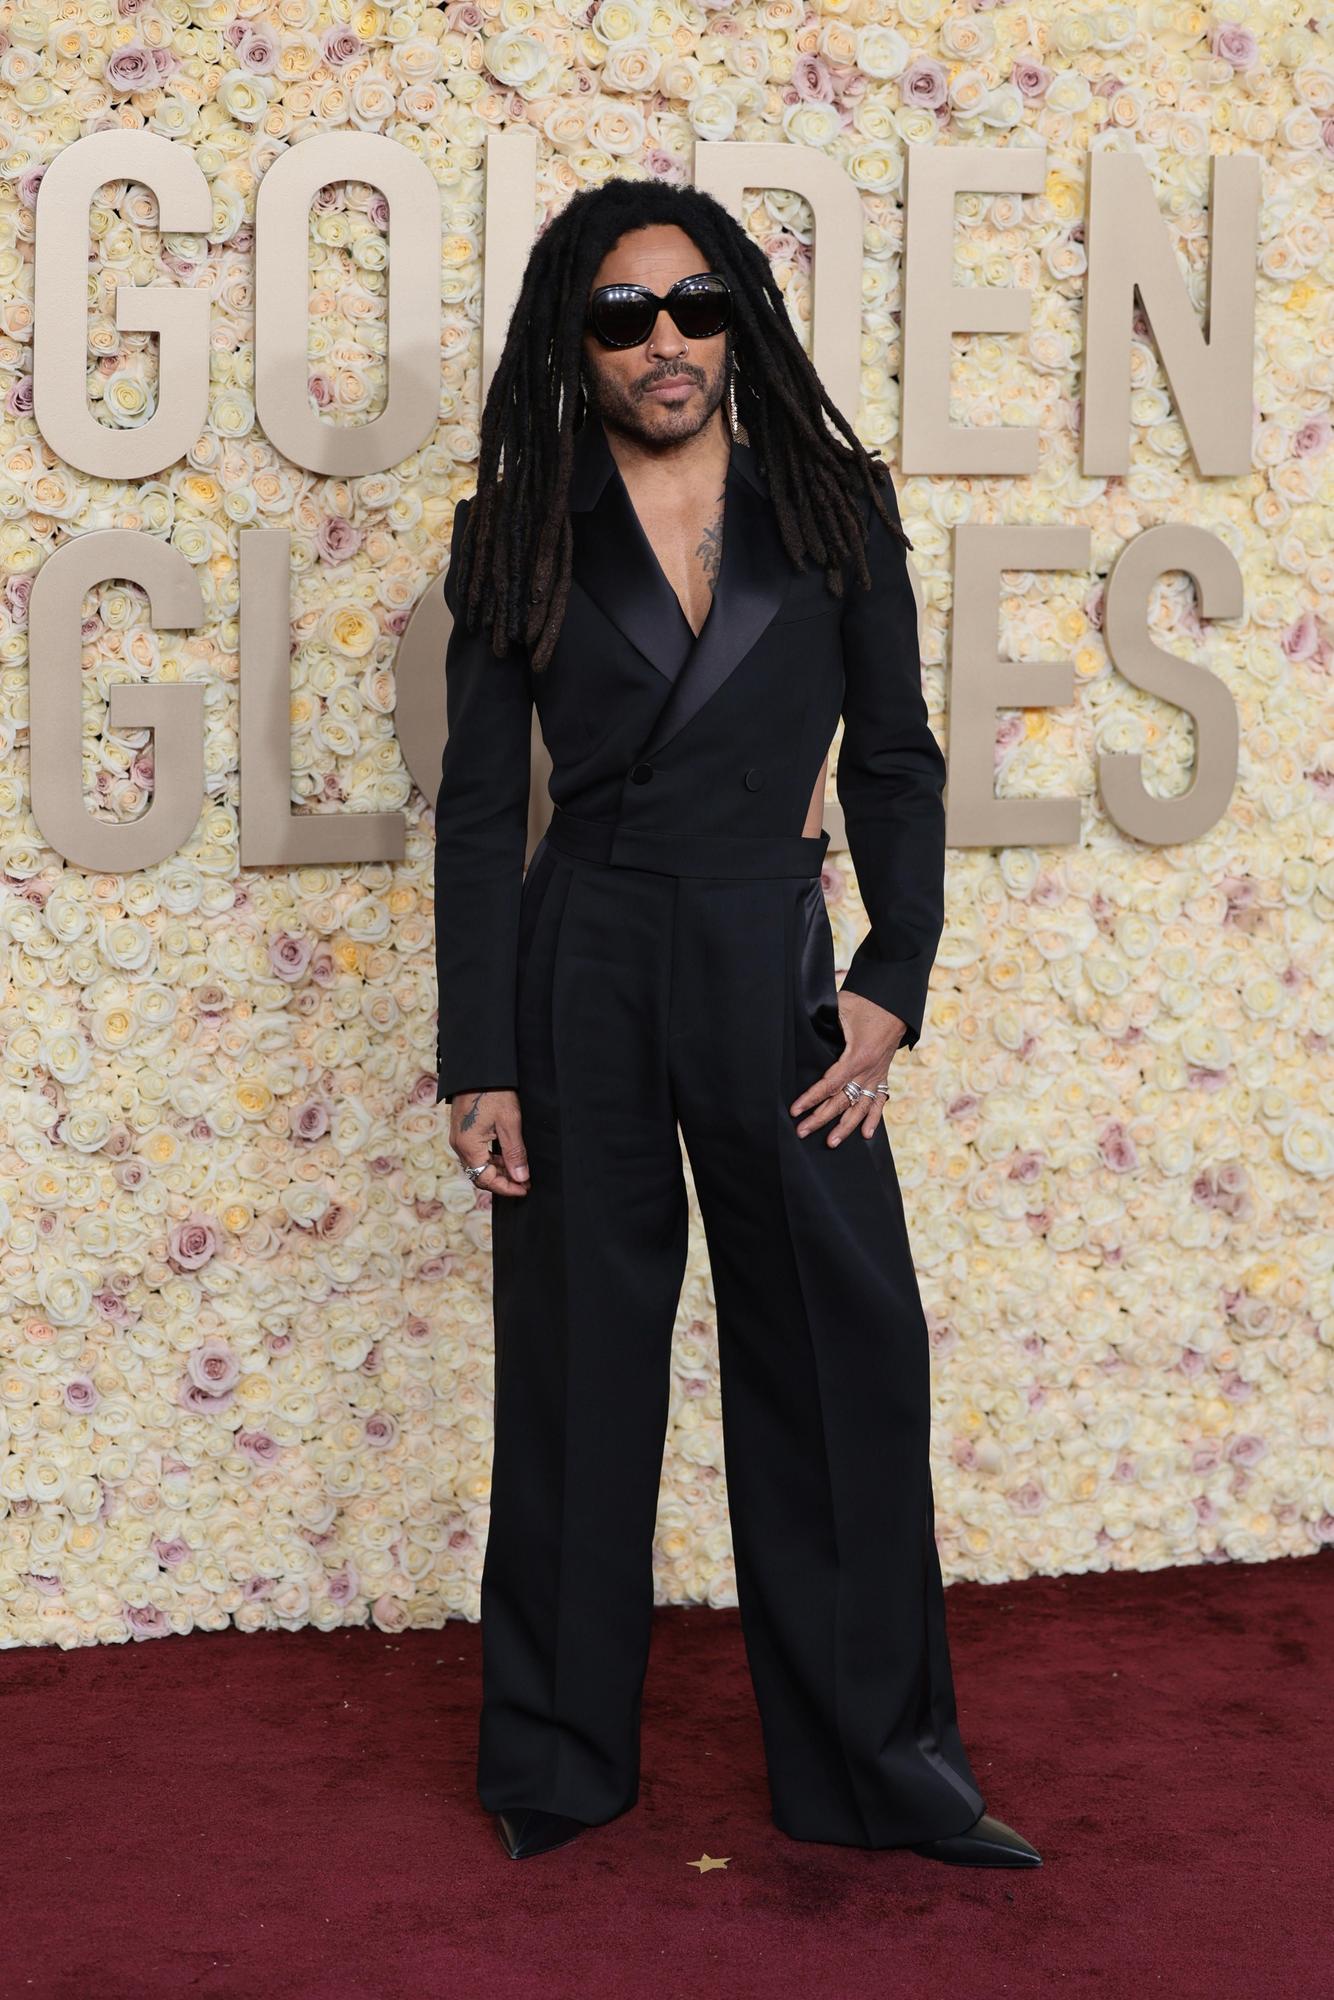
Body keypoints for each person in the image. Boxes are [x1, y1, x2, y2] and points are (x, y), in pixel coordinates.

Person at [433, 179, 1040, 1870]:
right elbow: (484, 810)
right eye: (623, 316)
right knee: (577, 1367)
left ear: (738, 317)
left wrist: (889, 980)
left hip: (781, 974)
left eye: (693, 305)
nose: (666, 341)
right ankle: (558, 1768)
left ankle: (874, 1773)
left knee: (844, 1355)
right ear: (577, 340)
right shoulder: (519, 523)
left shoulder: (832, 506)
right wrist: (476, 1055)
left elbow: (898, 762)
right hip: (586, 959)